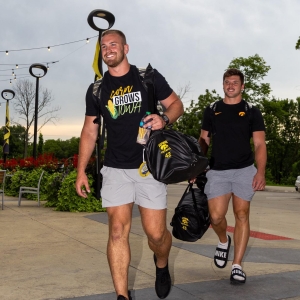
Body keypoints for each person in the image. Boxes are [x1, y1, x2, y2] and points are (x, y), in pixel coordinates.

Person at [75, 29, 184, 300]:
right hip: (115, 168)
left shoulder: (148, 77)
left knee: (156, 234)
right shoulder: (97, 89)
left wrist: (165, 120)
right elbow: (90, 131)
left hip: (150, 166)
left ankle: (161, 264)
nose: (108, 48)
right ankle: (122, 296)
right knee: (116, 231)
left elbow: (176, 105)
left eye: (114, 44)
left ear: (126, 48)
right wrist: (81, 171)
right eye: (104, 45)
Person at [198, 68, 266, 284]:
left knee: (242, 214)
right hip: (217, 170)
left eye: (235, 82)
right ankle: (222, 240)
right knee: (216, 217)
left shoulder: (252, 111)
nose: (231, 85)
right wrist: (196, 167)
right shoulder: (212, 110)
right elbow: (204, 141)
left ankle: (237, 265)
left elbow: (259, 144)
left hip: (244, 170)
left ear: (242, 86)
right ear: (223, 84)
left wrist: (261, 171)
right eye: (227, 82)